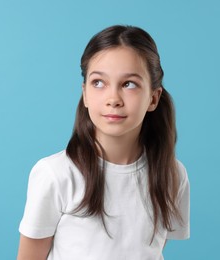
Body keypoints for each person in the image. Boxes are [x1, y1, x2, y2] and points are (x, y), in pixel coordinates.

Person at [17, 25, 190, 260]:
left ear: (153, 97)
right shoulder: (55, 174)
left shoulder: (172, 174)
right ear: (85, 94)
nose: (113, 99)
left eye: (129, 84)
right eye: (99, 82)